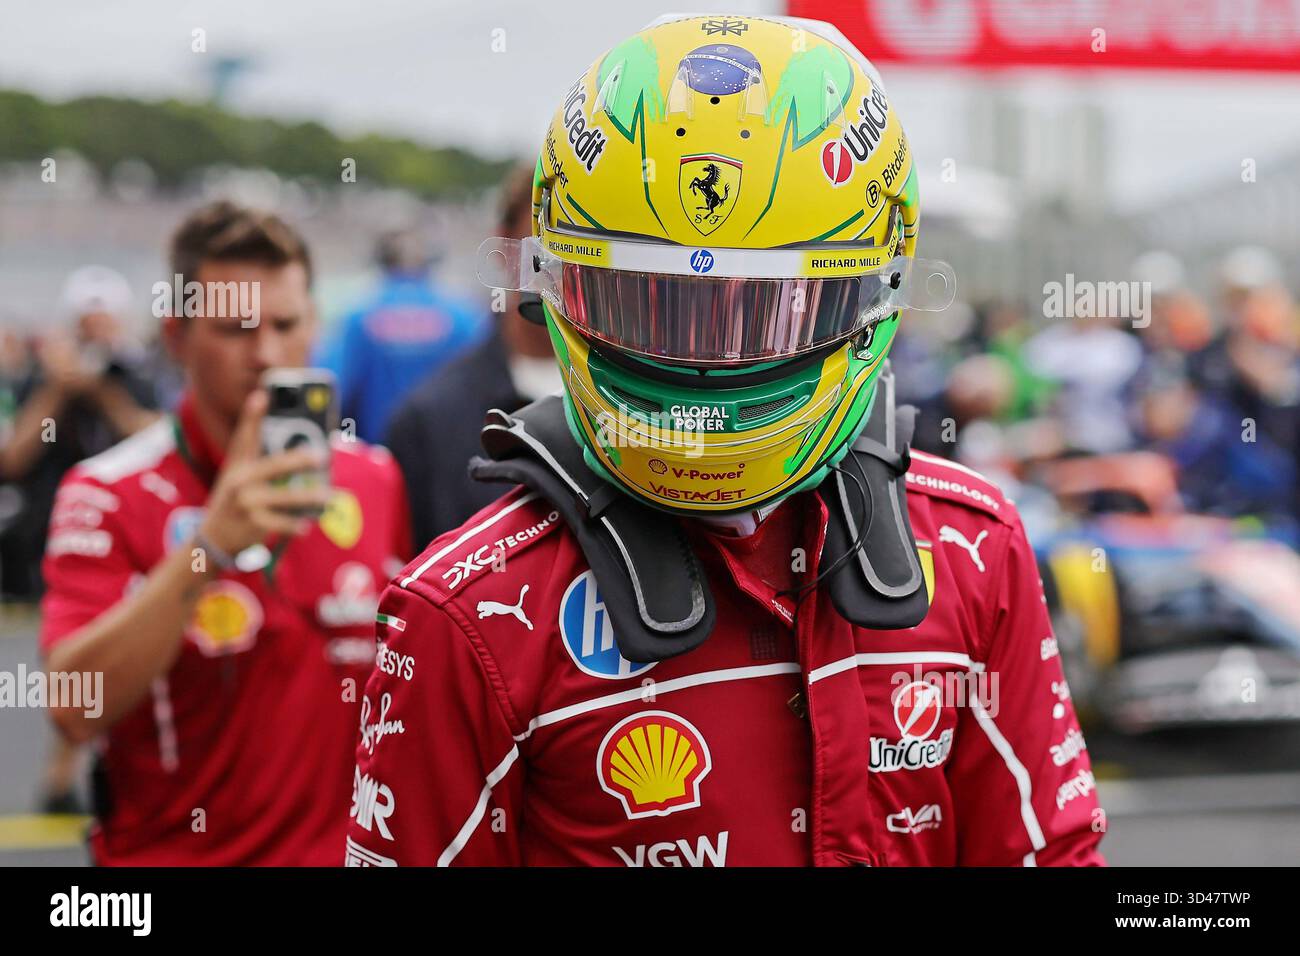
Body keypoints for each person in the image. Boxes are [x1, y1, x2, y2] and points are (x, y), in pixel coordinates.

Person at [346, 15, 1104, 867]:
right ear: (552, 286)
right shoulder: (464, 612)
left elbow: (1050, 853)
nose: (707, 363)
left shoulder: (970, 548)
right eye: (655, 307)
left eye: (763, 311)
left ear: (874, 297)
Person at [41, 201, 411, 865]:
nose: (266, 353)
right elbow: (72, 708)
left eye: (286, 324)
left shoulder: (374, 478)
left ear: (314, 326)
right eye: (236, 328)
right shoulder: (106, 492)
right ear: (176, 336)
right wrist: (207, 549)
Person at [385, 166, 562, 546]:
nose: (562, 263)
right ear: (503, 245)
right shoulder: (427, 421)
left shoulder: (641, 406)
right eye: (548, 240)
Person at [0, 267, 159, 599]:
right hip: (48, 527)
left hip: (124, 521)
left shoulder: (136, 377)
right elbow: (15, 458)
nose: (95, 341)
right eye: (88, 329)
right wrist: (56, 392)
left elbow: (154, 442)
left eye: (103, 327)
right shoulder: (41, 381)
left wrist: (103, 393)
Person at [320, 228, 486, 444]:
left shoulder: (358, 317)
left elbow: (335, 394)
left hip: (377, 458)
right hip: (444, 454)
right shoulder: (463, 317)